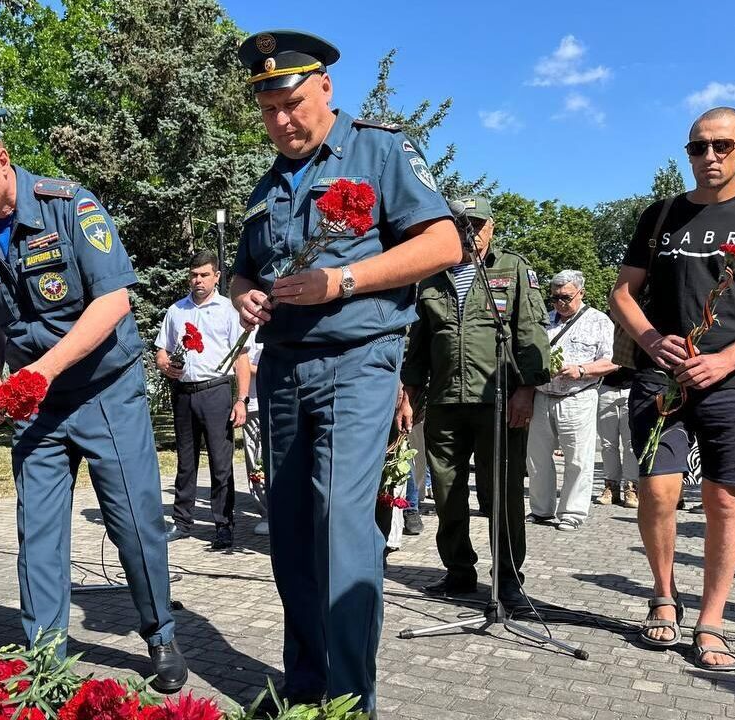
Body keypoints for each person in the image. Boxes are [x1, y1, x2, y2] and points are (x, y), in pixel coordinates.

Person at [0, 109, 187, 692]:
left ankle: (160, 633)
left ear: (2, 158)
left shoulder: (70, 206)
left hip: (103, 391)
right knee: (37, 532)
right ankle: (46, 657)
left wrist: (40, 370)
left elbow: (113, 302)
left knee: (133, 523)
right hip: (36, 408)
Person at [230, 31, 461, 712]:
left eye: (293, 104)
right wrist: (243, 290)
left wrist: (346, 279)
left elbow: (444, 241)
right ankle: (305, 689)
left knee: (341, 522)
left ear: (325, 88)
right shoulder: (267, 182)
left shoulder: (381, 150)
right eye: (268, 110)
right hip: (282, 370)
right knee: (293, 528)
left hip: (361, 362)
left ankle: (350, 698)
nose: (281, 121)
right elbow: (249, 265)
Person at [610, 106, 735, 671]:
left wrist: (726, 358)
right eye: (698, 147)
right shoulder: (660, 216)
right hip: (662, 379)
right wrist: (652, 339)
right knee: (657, 491)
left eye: (722, 146)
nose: (709, 157)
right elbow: (623, 292)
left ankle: (712, 619)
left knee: (725, 501)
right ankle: (662, 593)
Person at [397, 195, 549, 613]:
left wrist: (527, 389)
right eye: (461, 225)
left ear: (491, 227)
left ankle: (508, 580)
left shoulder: (512, 268)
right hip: (445, 402)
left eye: (477, 225)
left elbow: (530, 333)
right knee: (446, 492)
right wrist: (408, 395)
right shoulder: (430, 278)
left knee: (499, 493)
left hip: (497, 400)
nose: (470, 233)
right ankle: (459, 572)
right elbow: (418, 346)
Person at [155, 250, 250, 550]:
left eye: (204, 275)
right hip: (184, 393)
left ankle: (223, 524)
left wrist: (242, 400)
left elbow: (242, 357)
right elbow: (161, 349)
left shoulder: (228, 311)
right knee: (186, 462)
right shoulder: (176, 311)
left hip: (216, 391)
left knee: (221, 464)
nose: (198, 280)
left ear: (217, 277)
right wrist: (164, 364)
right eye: (194, 275)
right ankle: (182, 522)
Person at [526, 270, 618, 532]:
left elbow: (612, 361)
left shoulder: (599, 321)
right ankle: (541, 510)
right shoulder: (544, 319)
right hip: (543, 395)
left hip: (578, 396)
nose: (559, 303)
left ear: (581, 293)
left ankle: (573, 512)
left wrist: (581, 369)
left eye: (565, 297)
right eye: (554, 297)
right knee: (537, 458)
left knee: (578, 458)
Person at [596, 366, 639, 508]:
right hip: (606, 387)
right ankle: (611, 487)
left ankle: (631, 487)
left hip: (632, 387)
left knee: (631, 444)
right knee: (608, 444)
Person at [242, 342, 269, 536]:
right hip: (254, 403)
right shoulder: (246, 326)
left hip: (283, 401)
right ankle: (267, 513)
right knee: (257, 461)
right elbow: (240, 361)